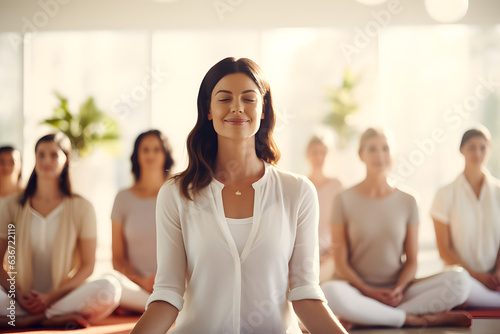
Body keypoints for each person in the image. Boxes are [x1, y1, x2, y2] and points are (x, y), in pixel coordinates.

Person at [131, 57, 347, 334]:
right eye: (224, 99)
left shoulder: (298, 191)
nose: (237, 107)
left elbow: (305, 293)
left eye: (248, 98)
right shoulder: (176, 194)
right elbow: (167, 295)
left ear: (263, 108)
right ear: (208, 109)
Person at [321, 127, 473, 329]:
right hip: (355, 290)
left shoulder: (409, 201)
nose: (380, 155)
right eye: (372, 149)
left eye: (385, 149)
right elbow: (340, 263)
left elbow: (411, 261)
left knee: (460, 280)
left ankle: (366, 318)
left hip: (398, 292)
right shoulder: (343, 199)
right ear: (361, 155)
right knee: (330, 292)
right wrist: (368, 291)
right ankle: (415, 319)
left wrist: (399, 289)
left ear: (392, 154)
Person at [0, 133, 121, 329]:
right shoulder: (11, 205)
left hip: (61, 298)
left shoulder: (82, 207)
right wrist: (17, 293)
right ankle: (46, 319)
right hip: (18, 299)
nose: (47, 160)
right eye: (41, 155)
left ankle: (28, 320)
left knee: (110, 287)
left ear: (66, 160)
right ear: (34, 158)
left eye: (54, 155)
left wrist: (50, 297)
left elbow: (87, 266)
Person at [431, 126, 500, 308]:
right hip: (464, 279)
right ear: (462, 150)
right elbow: (444, 250)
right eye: (471, 147)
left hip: (496, 278)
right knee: (459, 285)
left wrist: (498, 273)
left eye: (482, 147)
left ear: (489, 150)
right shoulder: (444, 194)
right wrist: (478, 277)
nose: (477, 152)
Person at [111, 129, 174, 313]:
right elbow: (117, 258)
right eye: (145, 149)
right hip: (135, 287)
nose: (151, 154)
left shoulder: (178, 193)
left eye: (156, 149)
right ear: (137, 156)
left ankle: (158, 308)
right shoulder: (123, 198)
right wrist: (141, 281)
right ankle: (154, 308)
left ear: (165, 155)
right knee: (107, 287)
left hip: (176, 285)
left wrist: (165, 280)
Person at [306, 135, 342, 283]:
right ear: (308, 155)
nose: (319, 157)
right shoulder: (302, 184)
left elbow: (343, 227)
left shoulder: (337, 186)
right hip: (305, 252)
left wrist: (328, 256)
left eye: (323, 152)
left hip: (331, 253)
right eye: (315, 152)